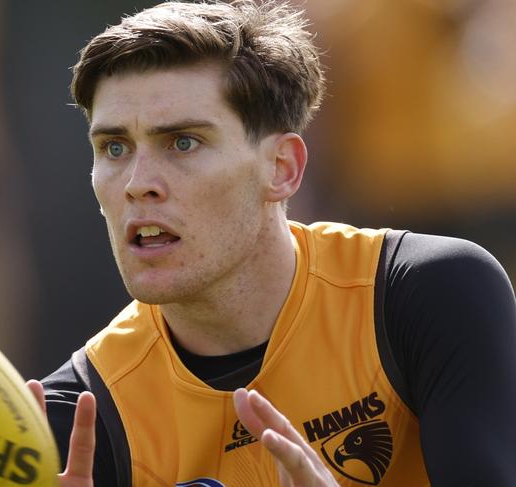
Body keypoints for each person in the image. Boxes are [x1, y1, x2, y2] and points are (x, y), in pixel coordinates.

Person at [28, 1, 516, 485]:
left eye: (183, 142)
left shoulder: (430, 293)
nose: (137, 183)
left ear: (282, 168)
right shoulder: (78, 420)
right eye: (114, 147)